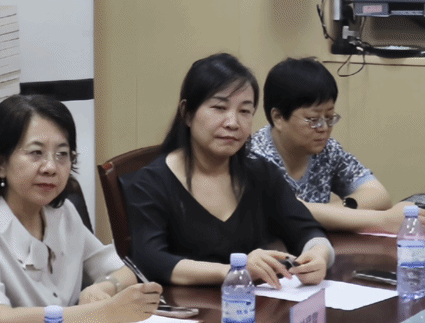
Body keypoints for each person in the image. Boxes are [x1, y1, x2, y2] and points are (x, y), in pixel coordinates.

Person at [0, 94, 165, 323]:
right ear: (1, 163)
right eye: (36, 153)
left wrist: (104, 287)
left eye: (62, 154)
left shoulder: (62, 214)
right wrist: (107, 311)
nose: (51, 167)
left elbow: (124, 270)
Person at [123, 52, 335, 287]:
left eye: (244, 111)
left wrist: (318, 256)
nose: (233, 123)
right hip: (184, 307)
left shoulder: (260, 173)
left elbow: (308, 230)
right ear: (187, 113)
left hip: (254, 304)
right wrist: (236, 271)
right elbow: (151, 260)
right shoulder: (151, 183)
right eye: (219, 107)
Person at [247, 57, 420, 234]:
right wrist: (382, 220)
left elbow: (378, 194)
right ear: (278, 118)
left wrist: (335, 211)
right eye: (313, 119)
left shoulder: (327, 149)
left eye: (330, 118)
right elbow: (286, 211)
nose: (324, 128)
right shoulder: (255, 157)